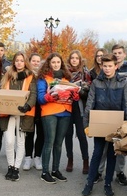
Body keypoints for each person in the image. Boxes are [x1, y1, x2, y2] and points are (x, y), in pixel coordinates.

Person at [81, 53, 127, 196]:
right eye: (105, 66)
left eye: (110, 66)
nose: (107, 69)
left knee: (112, 155)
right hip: (100, 123)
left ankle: (108, 184)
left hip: (116, 125)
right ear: (101, 66)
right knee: (97, 153)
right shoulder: (97, 83)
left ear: (116, 66)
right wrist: (86, 124)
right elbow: (89, 104)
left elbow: (126, 105)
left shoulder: (123, 83)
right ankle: (89, 182)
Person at [37, 52, 79, 184]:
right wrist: (50, 96)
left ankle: (55, 169)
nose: (56, 65)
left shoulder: (67, 79)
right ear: (49, 63)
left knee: (59, 144)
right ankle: (45, 172)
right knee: (49, 142)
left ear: (61, 64)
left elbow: (73, 95)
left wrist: (75, 96)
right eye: (53, 62)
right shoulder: (43, 78)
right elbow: (40, 98)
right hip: (49, 112)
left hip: (65, 112)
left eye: (58, 62)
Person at [97, 45, 127, 185]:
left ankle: (120, 172)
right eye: (115, 53)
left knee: (119, 147)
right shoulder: (102, 74)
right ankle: (99, 172)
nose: (117, 55)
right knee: (103, 147)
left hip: (120, 114)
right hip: (104, 115)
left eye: (119, 53)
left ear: (124, 55)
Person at [0, 52, 37, 181]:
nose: (19, 63)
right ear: (14, 62)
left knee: (21, 142)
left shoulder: (31, 76)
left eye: (21, 60)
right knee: (9, 141)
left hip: (23, 113)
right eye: (17, 60)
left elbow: (33, 94)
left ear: (25, 62)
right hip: (8, 113)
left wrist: (27, 106)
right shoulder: (7, 76)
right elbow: (0, 93)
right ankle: (10, 165)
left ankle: (16, 168)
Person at [64, 50, 91, 174]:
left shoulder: (86, 73)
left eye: (76, 58)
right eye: (72, 58)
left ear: (80, 60)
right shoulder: (65, 73)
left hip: (80, 107)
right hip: (67, 106)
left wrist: (80, 89)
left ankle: (86, 161)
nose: (74, 60)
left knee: (81, 134)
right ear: (69, 60)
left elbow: (89, 92)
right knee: (68, 134)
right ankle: (70, 160)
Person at [22, 53, 43, 170]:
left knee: (41, 134)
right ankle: (28, 157)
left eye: (38, 61)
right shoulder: (26, 75)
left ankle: (37, 157)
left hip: (41, 108)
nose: (35, 63)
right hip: (29, 108)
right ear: (29, 62)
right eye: (33, 61)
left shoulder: (43, 76)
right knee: (29, 133)